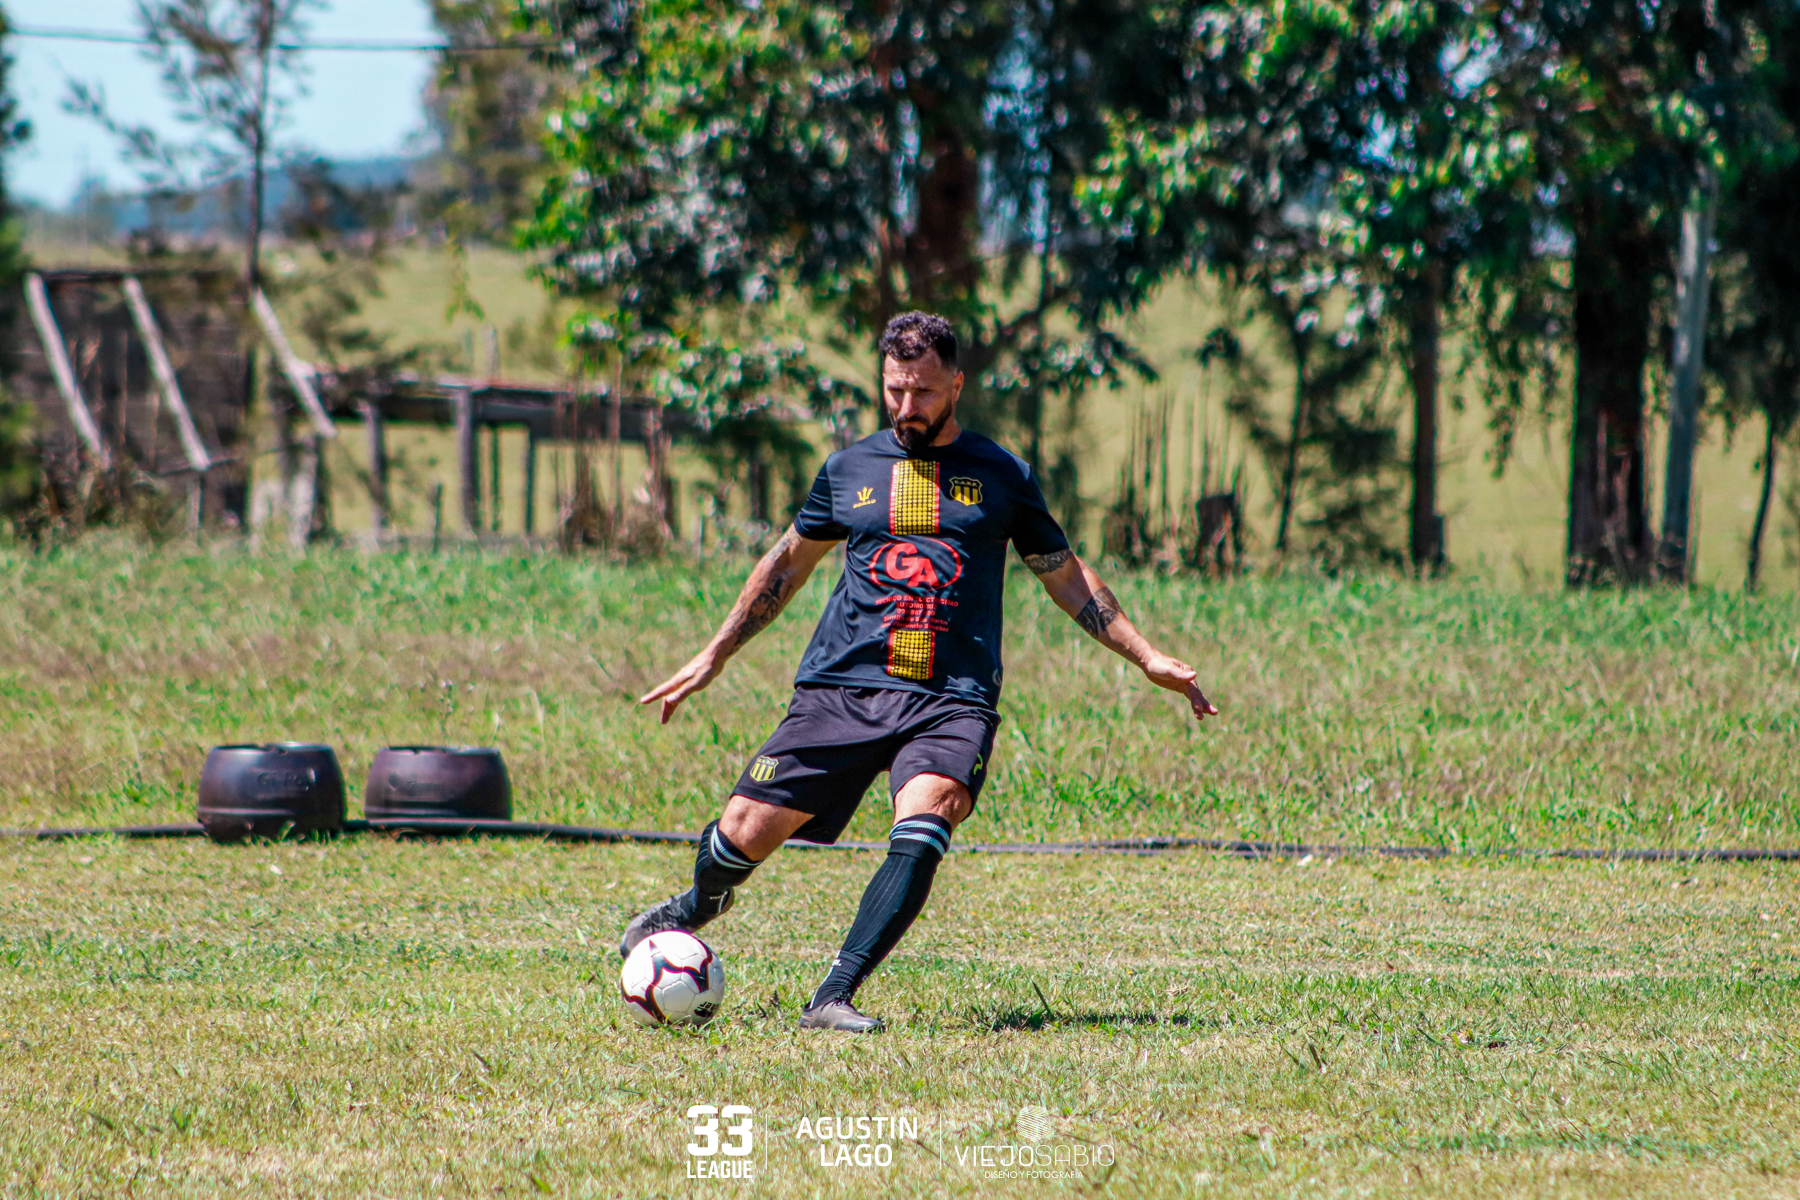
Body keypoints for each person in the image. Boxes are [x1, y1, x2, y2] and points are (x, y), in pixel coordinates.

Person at [624, 311, 1217, 1032]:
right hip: (843, 686)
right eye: (894, 390)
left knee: (929, 815)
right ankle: (697, 905)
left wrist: (1145, 653)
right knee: (744, 829)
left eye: (924, 392)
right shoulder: (849, 469)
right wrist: (715, 653)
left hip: (950, 696)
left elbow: (1065, 574)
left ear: (957, 385)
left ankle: (832, 997)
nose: (907, 407)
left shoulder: (1002, 475)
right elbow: (784, 567)